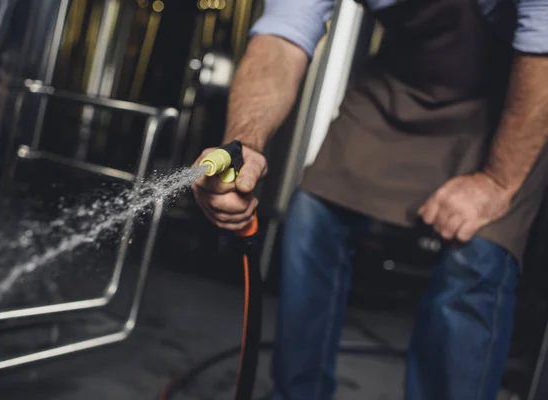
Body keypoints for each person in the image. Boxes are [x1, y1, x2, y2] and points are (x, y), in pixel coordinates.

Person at [191, 0, 548, 398]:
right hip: (402, 81)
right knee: (312, 217)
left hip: (520, 93)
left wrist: (497, 183)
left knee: (478, 254)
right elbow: (281, 38)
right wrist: (244, 145)